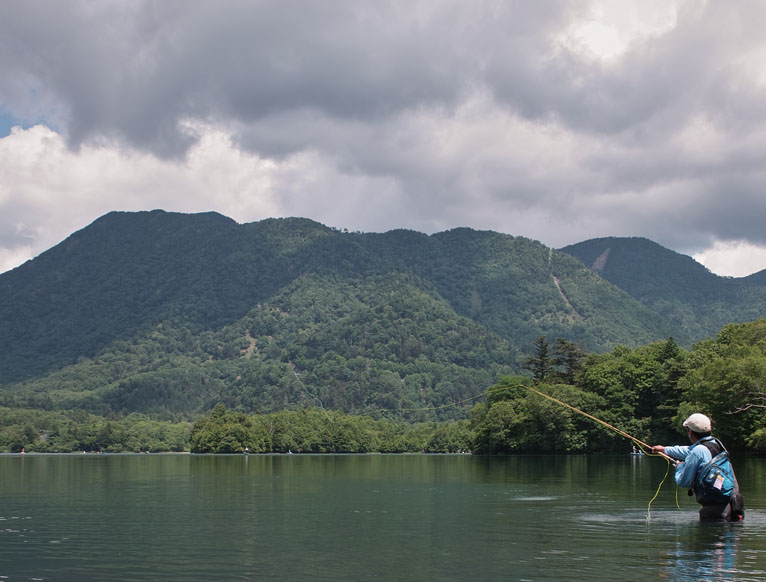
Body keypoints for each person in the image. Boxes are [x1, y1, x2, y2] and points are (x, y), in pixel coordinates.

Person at [651, 413, 744, 521]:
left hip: (714, 514)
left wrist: (679, 467)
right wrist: (664, 449)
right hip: (733, 505)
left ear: (690, 432)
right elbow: (688, 450)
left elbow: (683, 481)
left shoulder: (697, 451)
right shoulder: (716, 444)